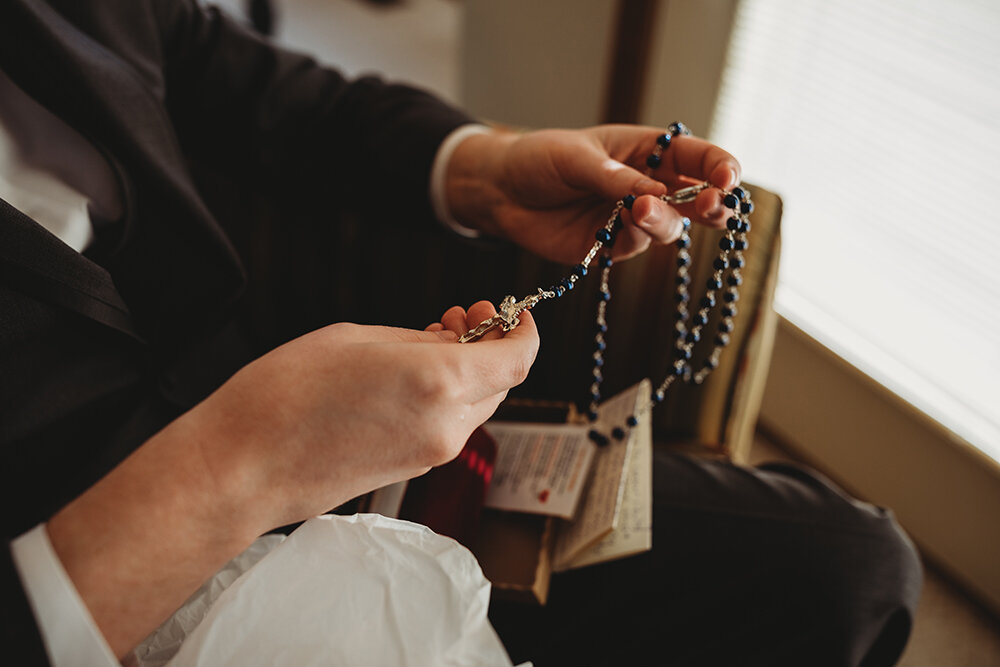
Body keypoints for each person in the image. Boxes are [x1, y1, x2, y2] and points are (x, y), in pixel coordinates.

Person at [0, 1, 921, 665]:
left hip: (323, 442)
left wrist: (487, 171)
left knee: (851, 569)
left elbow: (212, 67)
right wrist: (248, 459)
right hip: (86, 589)